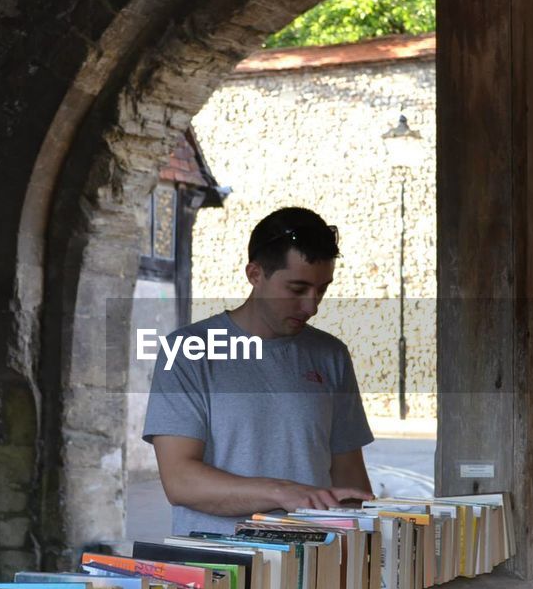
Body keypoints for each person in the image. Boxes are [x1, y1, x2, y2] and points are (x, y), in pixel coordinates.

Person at [142, 206, 376, 535]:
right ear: (255, 274)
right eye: (297, 289)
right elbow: (181, 481)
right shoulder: (187, 351)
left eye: (322, 289)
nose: (312, 306)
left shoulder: (330, 355)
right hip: (215, 572)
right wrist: (282, 493)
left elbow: (350, 481)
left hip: (314, 569)